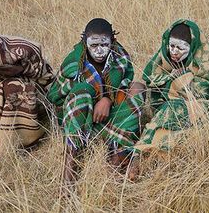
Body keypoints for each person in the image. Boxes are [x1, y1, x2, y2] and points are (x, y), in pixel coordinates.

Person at [48, 18, 145, 183]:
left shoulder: (120, 57)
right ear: (85, 42)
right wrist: (92, 96)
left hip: (108, 117)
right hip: (79, 120)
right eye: (93, 46)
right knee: (82, 91)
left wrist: (107, 98)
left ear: (112, 41)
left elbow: (125, 85)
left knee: (138, 87)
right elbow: (55, 97)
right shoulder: (74, 62)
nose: (99, 51)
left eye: (104, 45)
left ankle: (117, 154)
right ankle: (70, 167)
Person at [128, 19, 209, 180]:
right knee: (165, 107)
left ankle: (143, 153)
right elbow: (150, 77)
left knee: (177, 115)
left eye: (181, 48)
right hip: (164, 107)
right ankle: (142, 155)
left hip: (197, 109)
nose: (174, 51)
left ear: (192, 47)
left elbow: (206, 90)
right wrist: (170, 78)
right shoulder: (164, 58)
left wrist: (184, 79)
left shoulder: (204, 60)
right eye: (171, 46)